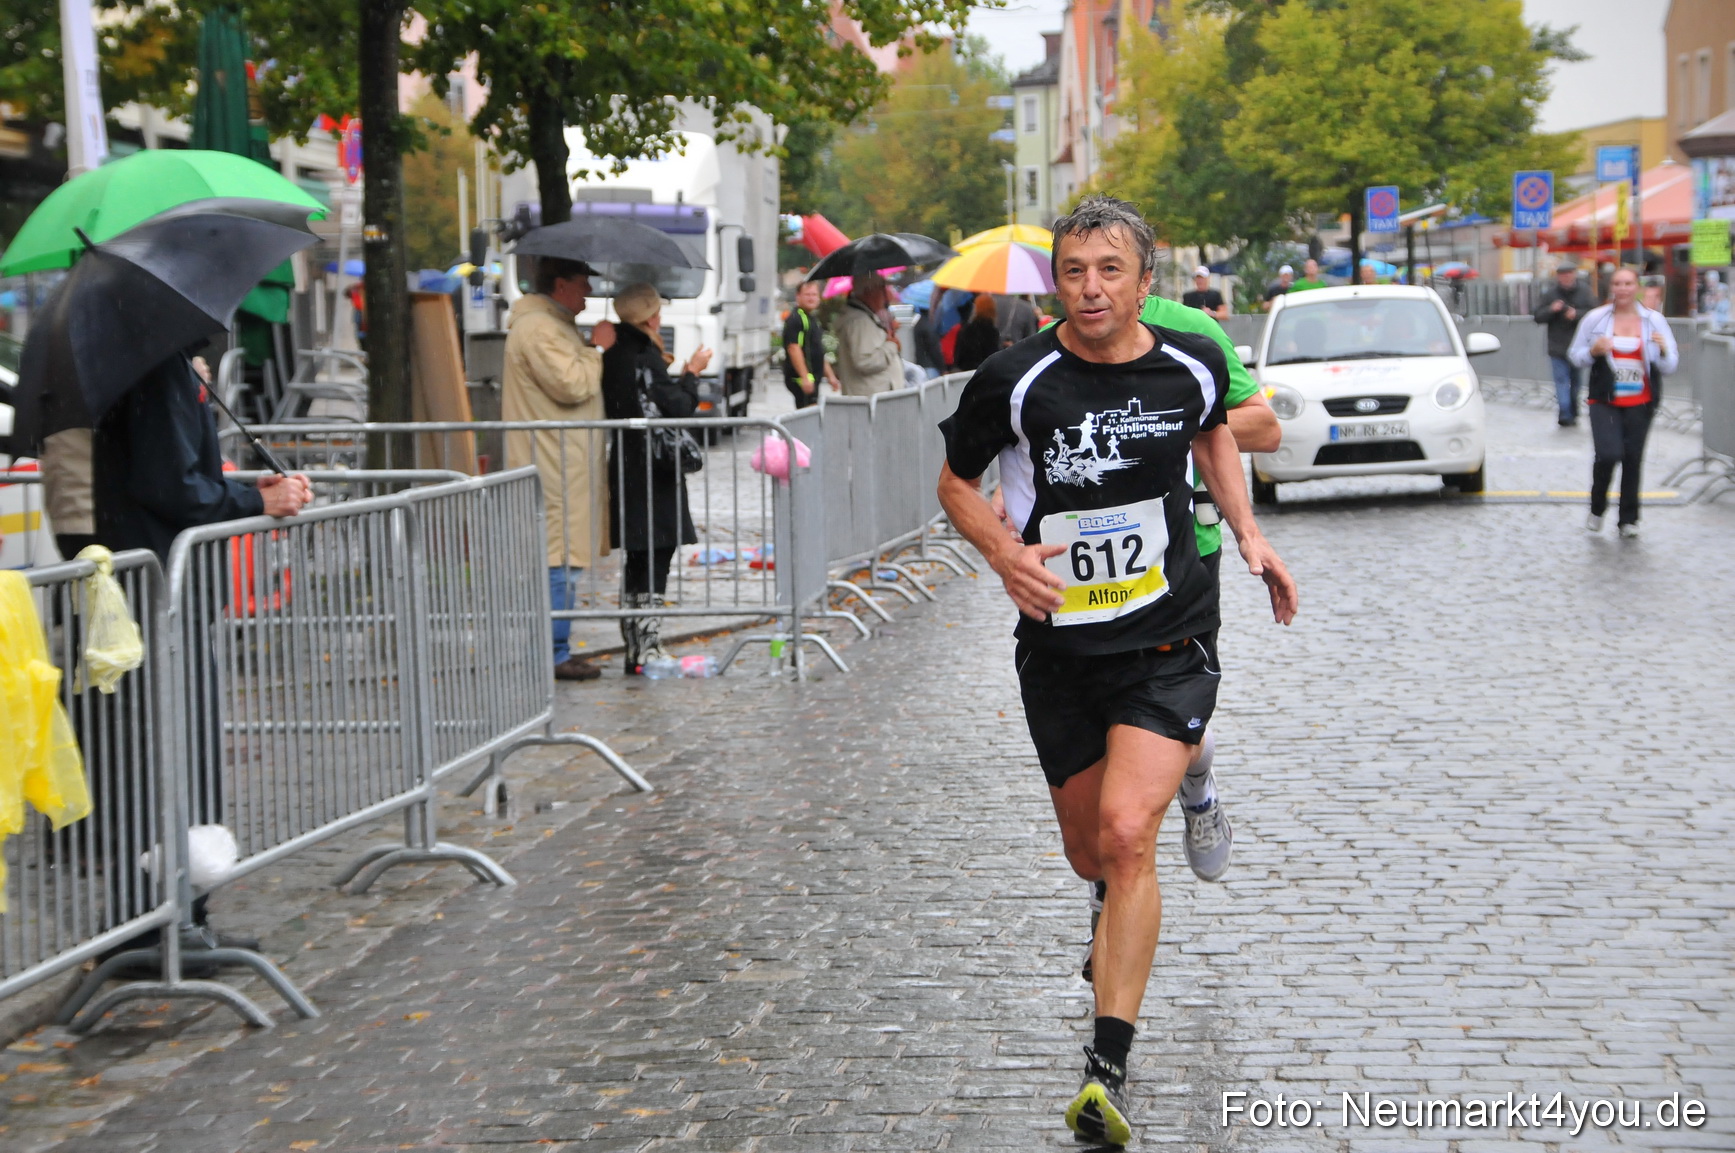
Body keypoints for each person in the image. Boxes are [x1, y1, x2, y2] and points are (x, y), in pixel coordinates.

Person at [937, 195, 1297, 1145]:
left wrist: (1251, 536)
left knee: (1130, 830)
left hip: (1169, 633)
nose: (1089, 288)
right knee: (1093, 850)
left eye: (1108, 270)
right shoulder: (1014, 379)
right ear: (1055, 281)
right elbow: (951, 483)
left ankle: (1106, 1066)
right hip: (1058, 649)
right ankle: (1108, 904)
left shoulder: (1191, 359)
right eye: (1073, 271)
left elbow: (1214, 430)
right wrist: (1002, 552)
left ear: (1145, 282)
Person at [91, 347, 313, 963]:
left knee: (182, 754)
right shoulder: (154, 369)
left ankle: (179, 914)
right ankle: (151, 924)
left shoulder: (166, 367)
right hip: (157, 589)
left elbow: (186, 478)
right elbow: (173, 486)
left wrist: (250, 491)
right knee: (161, 754)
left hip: (169, 589)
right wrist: (256, 503)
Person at [503, 255, 616, 681]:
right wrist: (598, 348)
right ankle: (552, 653)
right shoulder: (539, 328)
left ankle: (555, 649)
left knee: (562, 557)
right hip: (552, 463)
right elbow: (572, 383)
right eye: (583, 281)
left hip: (561, 460)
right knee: (558, 558)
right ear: (561, 284)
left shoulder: (549, 324)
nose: (589, 289)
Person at [601, 283, 712, 673]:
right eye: (658, 312)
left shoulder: (614, 354)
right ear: (649, 317)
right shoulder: (643, 356)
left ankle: (635, 644)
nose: (660, 318)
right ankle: (647, 646)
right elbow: (677, 407)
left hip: (627, 463)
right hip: (654, 467)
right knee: (655, 555)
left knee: (638, 556)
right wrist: (691, 374)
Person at [1568, 267, 1679, 538]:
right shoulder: (1595, 319)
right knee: (1608, 454)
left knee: (1632, 458)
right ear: (1611, 288)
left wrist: (1662, 349)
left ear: (1637, 287)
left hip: (1641, 400)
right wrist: (1593, 352)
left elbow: (1671, 364)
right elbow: (1575, 355)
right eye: (1618, 283)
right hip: (1604, 398)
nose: (1623, 289)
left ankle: (1628, 519)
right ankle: (1597, 508)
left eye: (1628, 283)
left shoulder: (1653, 320)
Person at [1533, 259, 1596, 426]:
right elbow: (1537, 316)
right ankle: (1564, 414)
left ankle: (1573, 411)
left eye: (1569, 274)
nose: (1566, 278)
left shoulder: (1585, 292)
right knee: (1561, 381)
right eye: (1562, 275)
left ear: (1574, 275)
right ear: (1558, 277)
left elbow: (1594, 315)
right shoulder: (1550, 294)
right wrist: (1551, 310)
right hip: (1557, 346)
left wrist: (1576, 314)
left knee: (1576, 382)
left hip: (1578, 345)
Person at [832, 271, 904, 395]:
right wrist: (891, 345)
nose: (886, 294)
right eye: (882, 289)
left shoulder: (862, 317)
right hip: (873, 401)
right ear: (869, 292)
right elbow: (866, 362)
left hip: (875, 399)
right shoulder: (860, 322)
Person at [781, 280, 837, 408]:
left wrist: (830, 376)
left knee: (811, 414)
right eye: (807, 294)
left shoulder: (811, 319)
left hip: (812, 378)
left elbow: (818, 350)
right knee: (807, 414)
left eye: (814, 295)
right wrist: (804, 376)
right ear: (798, 297)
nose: (811, 298)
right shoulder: (796, 319)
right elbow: (793, 347)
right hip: (802, 379)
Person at [952, 293, 1005, 371]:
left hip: (965, 371)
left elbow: (958, 355)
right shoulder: (992, 332)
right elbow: (993, 356)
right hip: (984, 372)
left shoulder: (966, 329)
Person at [912, 306, 947, 379]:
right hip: (931, 367)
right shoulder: (928, 327)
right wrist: (942, 368)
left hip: (921, 365)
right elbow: (934, 349)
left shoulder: (918, 324)